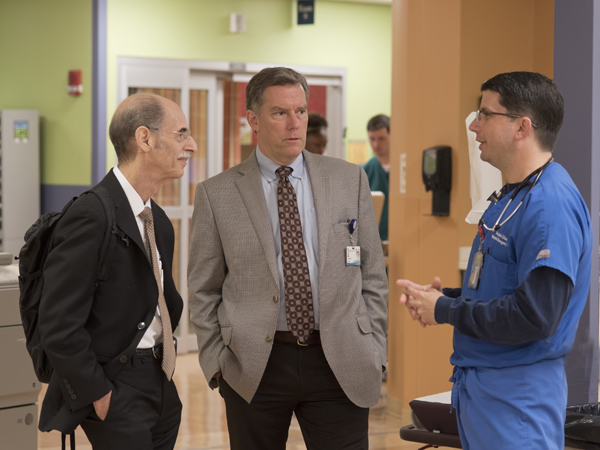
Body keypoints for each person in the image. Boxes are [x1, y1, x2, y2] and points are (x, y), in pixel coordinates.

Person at [188, 67, 388, 450]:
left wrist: (374, 349)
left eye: (300, 111)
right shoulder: (217, 193)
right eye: (280, 113)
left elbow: (372, 275)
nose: (294, 123)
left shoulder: (350, 179)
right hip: (254, 365)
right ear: (254, 120)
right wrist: (217, 363)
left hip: (340, 358)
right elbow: (203, 289)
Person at [397, 72, 592, 450]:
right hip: (484, 388)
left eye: (485, 114)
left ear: (522, 127)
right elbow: (504, 287)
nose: (473, 125)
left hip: (516, 396)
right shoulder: (512, 195)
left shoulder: (550, 204)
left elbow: (535, 315)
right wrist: (442, 299)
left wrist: (448, 310)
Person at [38, 92, 197, 449]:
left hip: (160, 382)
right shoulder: (91, 214)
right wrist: (98, 392)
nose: (192, 145)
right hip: (116, 388)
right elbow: (58, 321)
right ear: (145, 138)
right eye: (181, 133)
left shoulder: (158, 221)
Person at [363, 114, 390, 240]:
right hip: (374, 240)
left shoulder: (403, 171)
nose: (376, 144)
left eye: (381, 138)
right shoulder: (364, 172)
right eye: (372, 139)